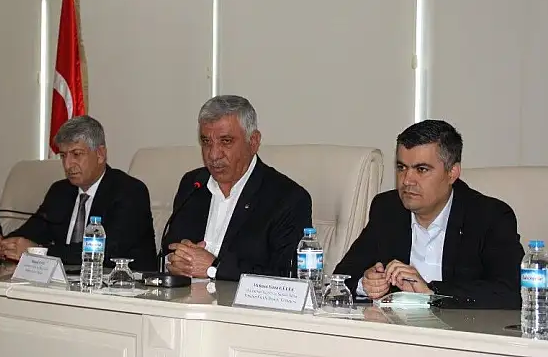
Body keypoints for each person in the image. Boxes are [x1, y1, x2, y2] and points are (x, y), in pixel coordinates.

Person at [333, 120, 524, 309]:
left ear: (452, 173)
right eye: (401, 168)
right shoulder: (388, 208)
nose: (407, 180)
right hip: (395, 325)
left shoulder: (489, 216)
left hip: (460, 327)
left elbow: (510, 291)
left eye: (421, 169)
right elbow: (341, 277)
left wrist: (432, 293)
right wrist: (366, 284)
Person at [162, 95, 312, 281]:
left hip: (240, 301)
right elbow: (168, 250)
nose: (213, 155)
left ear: (253, 142)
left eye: (226, 141)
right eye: (206, 142)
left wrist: (215, 268)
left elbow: (288, 277)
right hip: (185, 298)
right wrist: (176, 259)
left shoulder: (288, 198)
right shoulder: (193, 184)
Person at [0, 116, 157, 271]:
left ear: (100, 154)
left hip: (124, 287)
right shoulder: (60, 191)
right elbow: (32, 232)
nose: (67, 165)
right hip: (67, 285)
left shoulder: (130, 191)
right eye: (63, 156)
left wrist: (38, 252)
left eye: (76, 154)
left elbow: (108, 251)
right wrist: (1, 243)